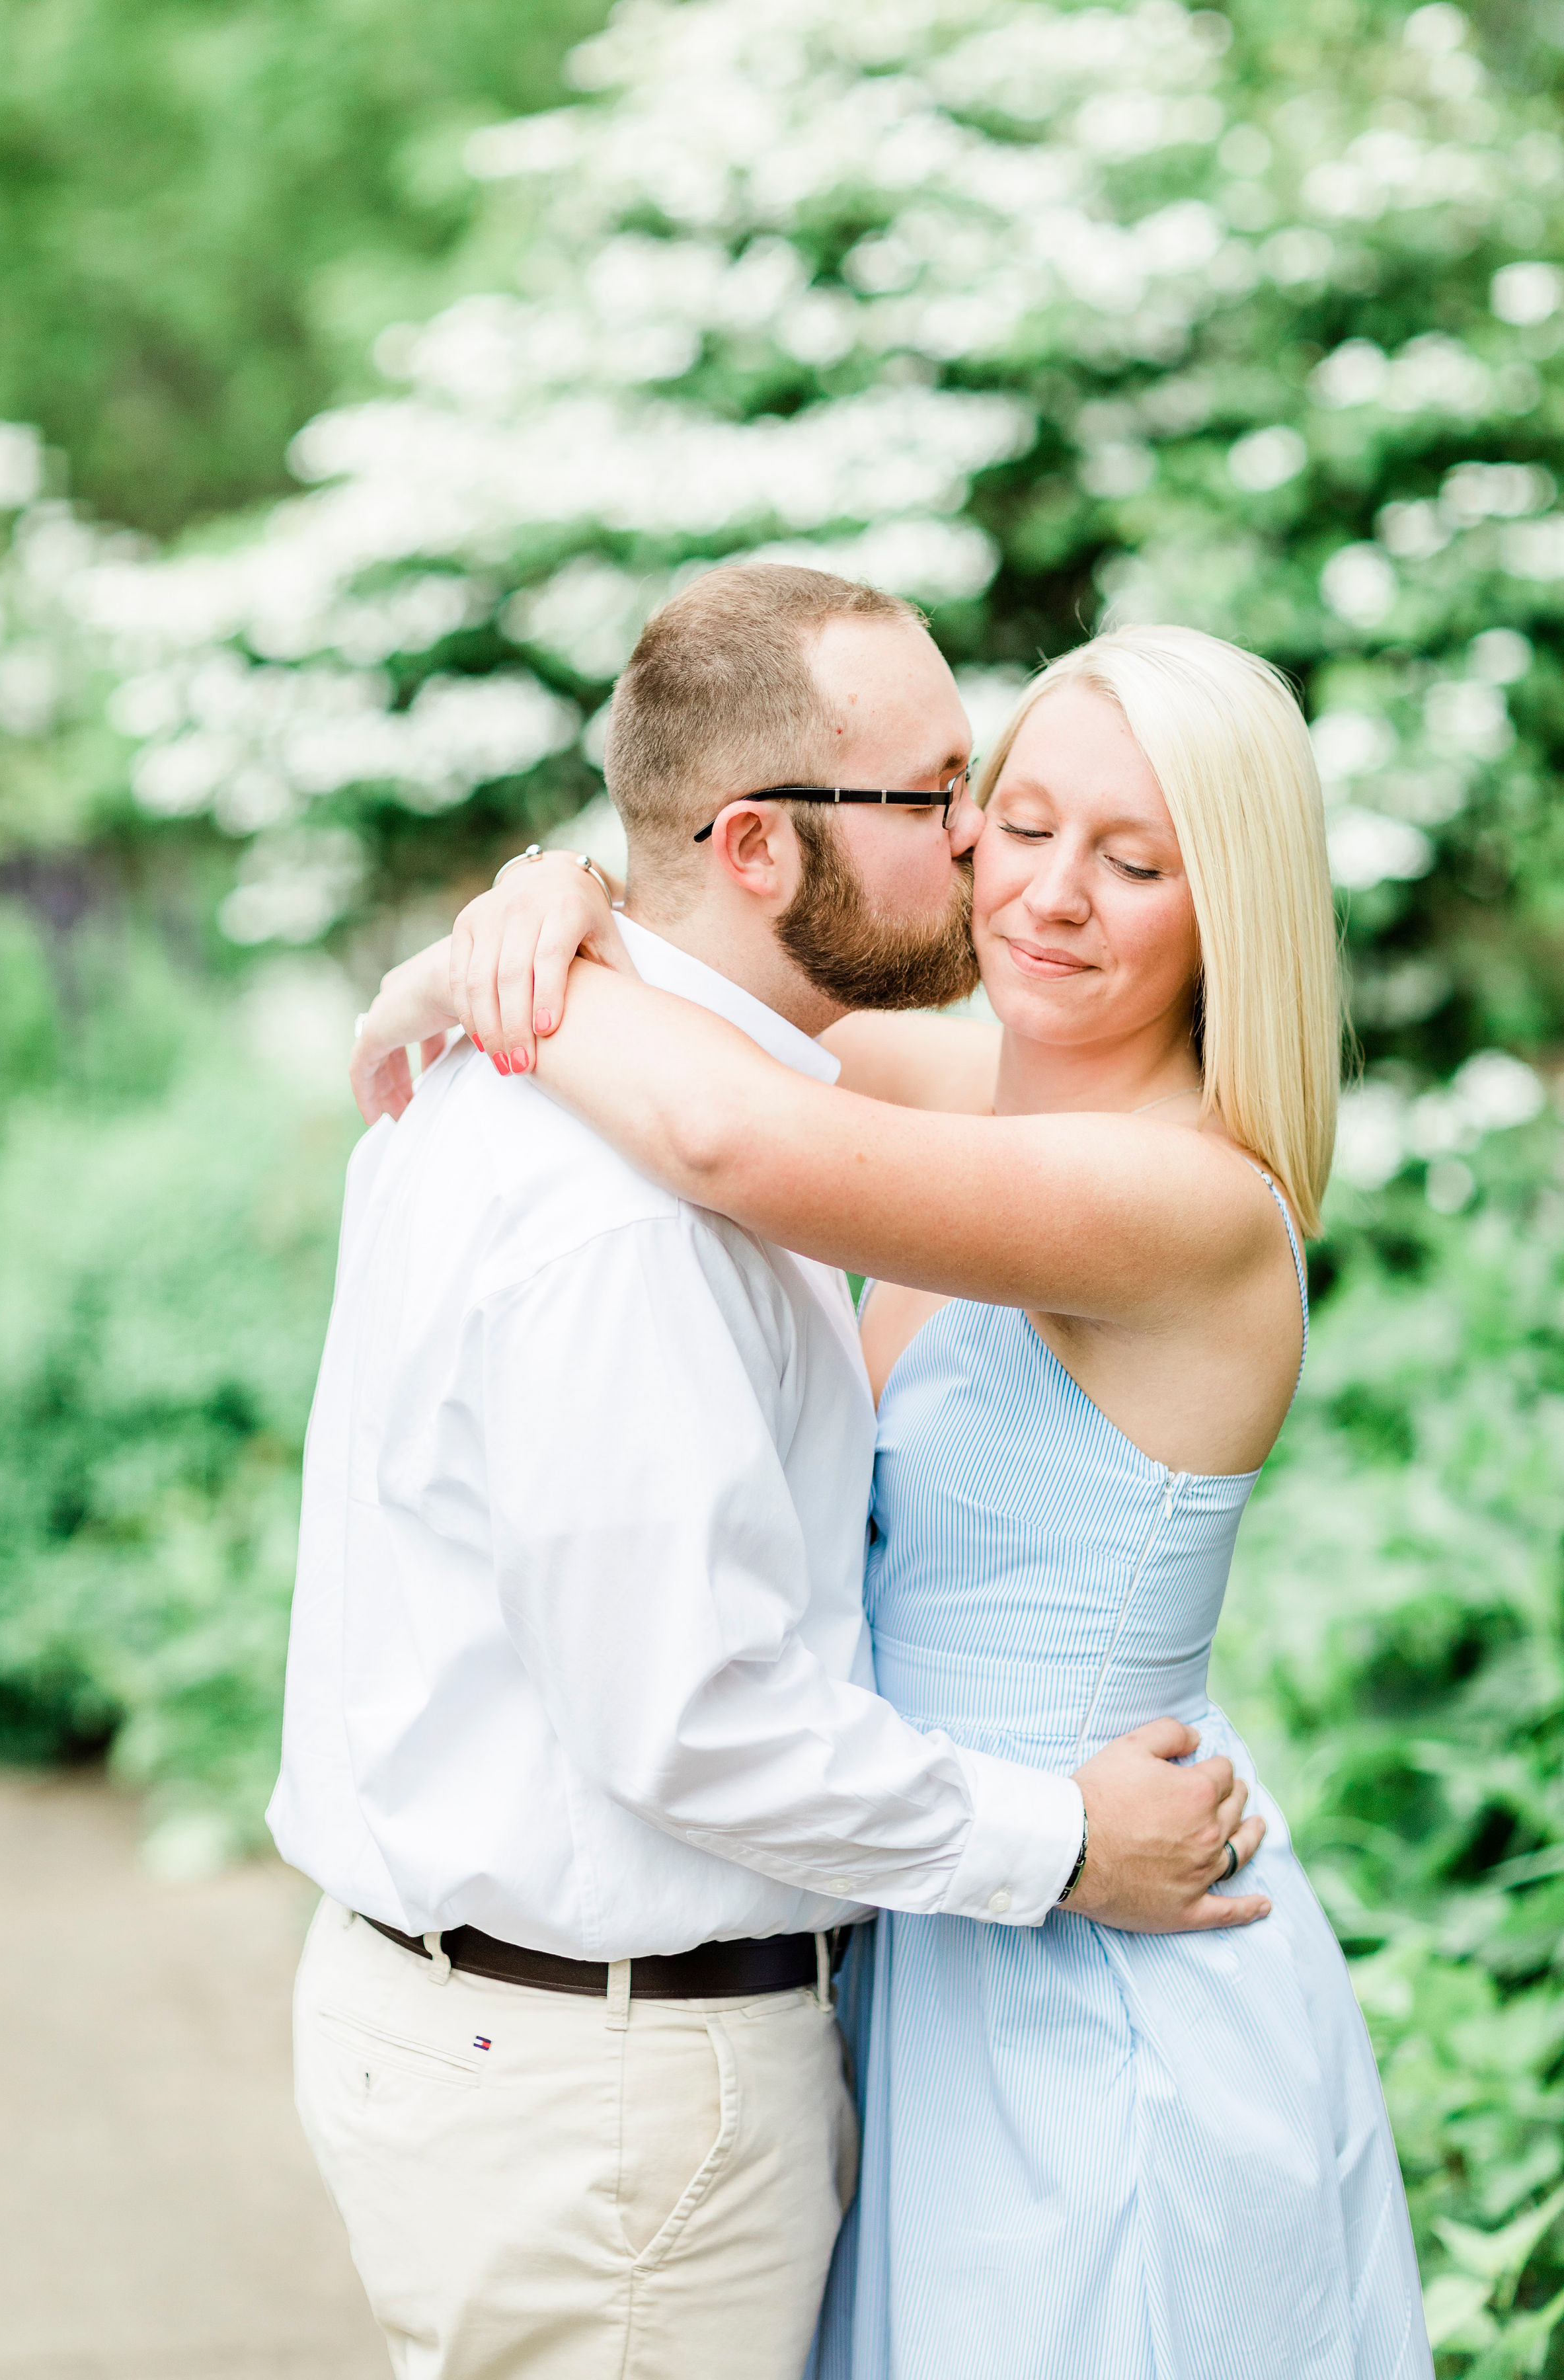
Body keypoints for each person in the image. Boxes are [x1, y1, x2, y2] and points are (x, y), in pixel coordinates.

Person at [364, 612, 1432, 2378]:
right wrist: (555, 898)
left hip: (1105, 1965)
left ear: (1225, 911)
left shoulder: (1184, 1208)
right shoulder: (962, 1080)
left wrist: (524, 963)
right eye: (1022, 825)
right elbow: (709, 985)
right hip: (938, 1915)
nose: (1052, 896)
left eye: (1137, 861)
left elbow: (728, 1133)